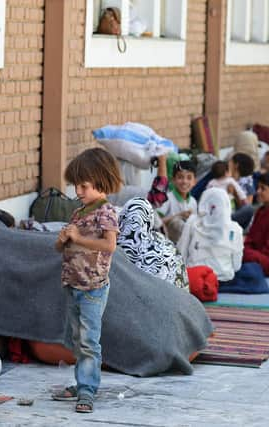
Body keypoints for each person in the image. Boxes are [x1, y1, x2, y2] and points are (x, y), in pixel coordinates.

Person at [52, 147, 122, 414]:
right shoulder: (79, 212)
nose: (78, 191)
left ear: (101, 181)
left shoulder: (106, 212)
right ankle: (81, 382)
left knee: (89, 341)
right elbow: (63, 249)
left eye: (83, 185)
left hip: (92, 287)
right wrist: (62, 241)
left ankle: (88, 389)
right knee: (75, 338)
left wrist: (78, 238)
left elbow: (109, 245)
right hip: (73, 283)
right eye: (75, 185)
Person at [117, 197, 188, 289]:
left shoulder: (114, 247)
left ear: (123, 217)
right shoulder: (164, 243)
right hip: (178, 299)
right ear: (150, 219)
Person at [177, 187, 243, 282]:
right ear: (227, 205)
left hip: (195, 275)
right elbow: (237, 266)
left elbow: (182, 253)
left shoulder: (193, 222)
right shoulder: (235, 228)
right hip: (224, 276)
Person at [156, 160, 198, 243]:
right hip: (168, 242)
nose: (184, 181)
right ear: (173, 180)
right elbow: (156, 222)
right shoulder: (167, 198)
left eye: (189, 178)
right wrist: (178, 215)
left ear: (194, 182)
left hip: (187, 243)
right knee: (177, 222)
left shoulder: (193, 201)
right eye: (180, 177)